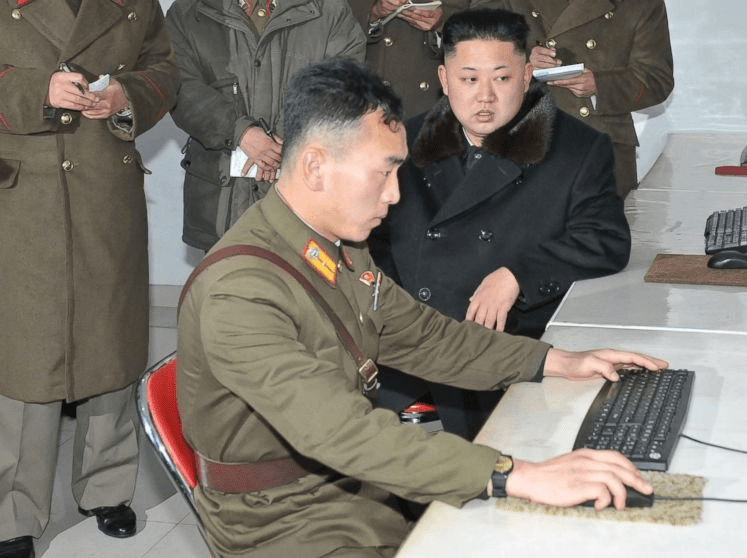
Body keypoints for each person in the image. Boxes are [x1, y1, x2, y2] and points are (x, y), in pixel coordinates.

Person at [177, 56, 667, 558]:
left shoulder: (336, 247)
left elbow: (426, 338)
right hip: (282, 522)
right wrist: (514, 475)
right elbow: (340, 432)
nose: (394, 194)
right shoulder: (240, 291)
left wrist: (554, 361)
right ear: (316, 167)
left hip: (356, 490)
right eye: (383, 172)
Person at [369, 7, 630, 439]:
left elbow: (604, 240)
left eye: (502, 78)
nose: (485, 97)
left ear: (527, 77)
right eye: (469, 79)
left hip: (505, 359)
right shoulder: (402, 143)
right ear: (444, 79)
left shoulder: (577, 148)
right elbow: (368, 242)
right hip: (407, 356)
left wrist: (517, 276)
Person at [0, 0, 179, 555]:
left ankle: (107, 485)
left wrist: (126, 94)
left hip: (107, 191)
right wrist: (37, 89)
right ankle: (13, 511)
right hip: (22, 197)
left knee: (110, 342)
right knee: (27, 355)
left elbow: (165, 69)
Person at [166, 0, 366, 250]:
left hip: (304, 203)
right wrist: (241, 133)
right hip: (222, 203)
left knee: (301, 273)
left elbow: (345, 83)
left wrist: (287, 138)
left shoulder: (330, 10)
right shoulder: (189, 11)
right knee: (229, 272)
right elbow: (178, 86)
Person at [497, 0, 675, 197]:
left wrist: (600, 85)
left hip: (600, 147)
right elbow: (476, 59)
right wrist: (524, 62)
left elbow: (657, 80)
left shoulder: (640, 4)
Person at [350, 0, 470, 118]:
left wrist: (443, 21)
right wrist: (373, 11)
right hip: (368, 85)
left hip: (425, 86)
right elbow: (344, 15)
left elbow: (466, 12)